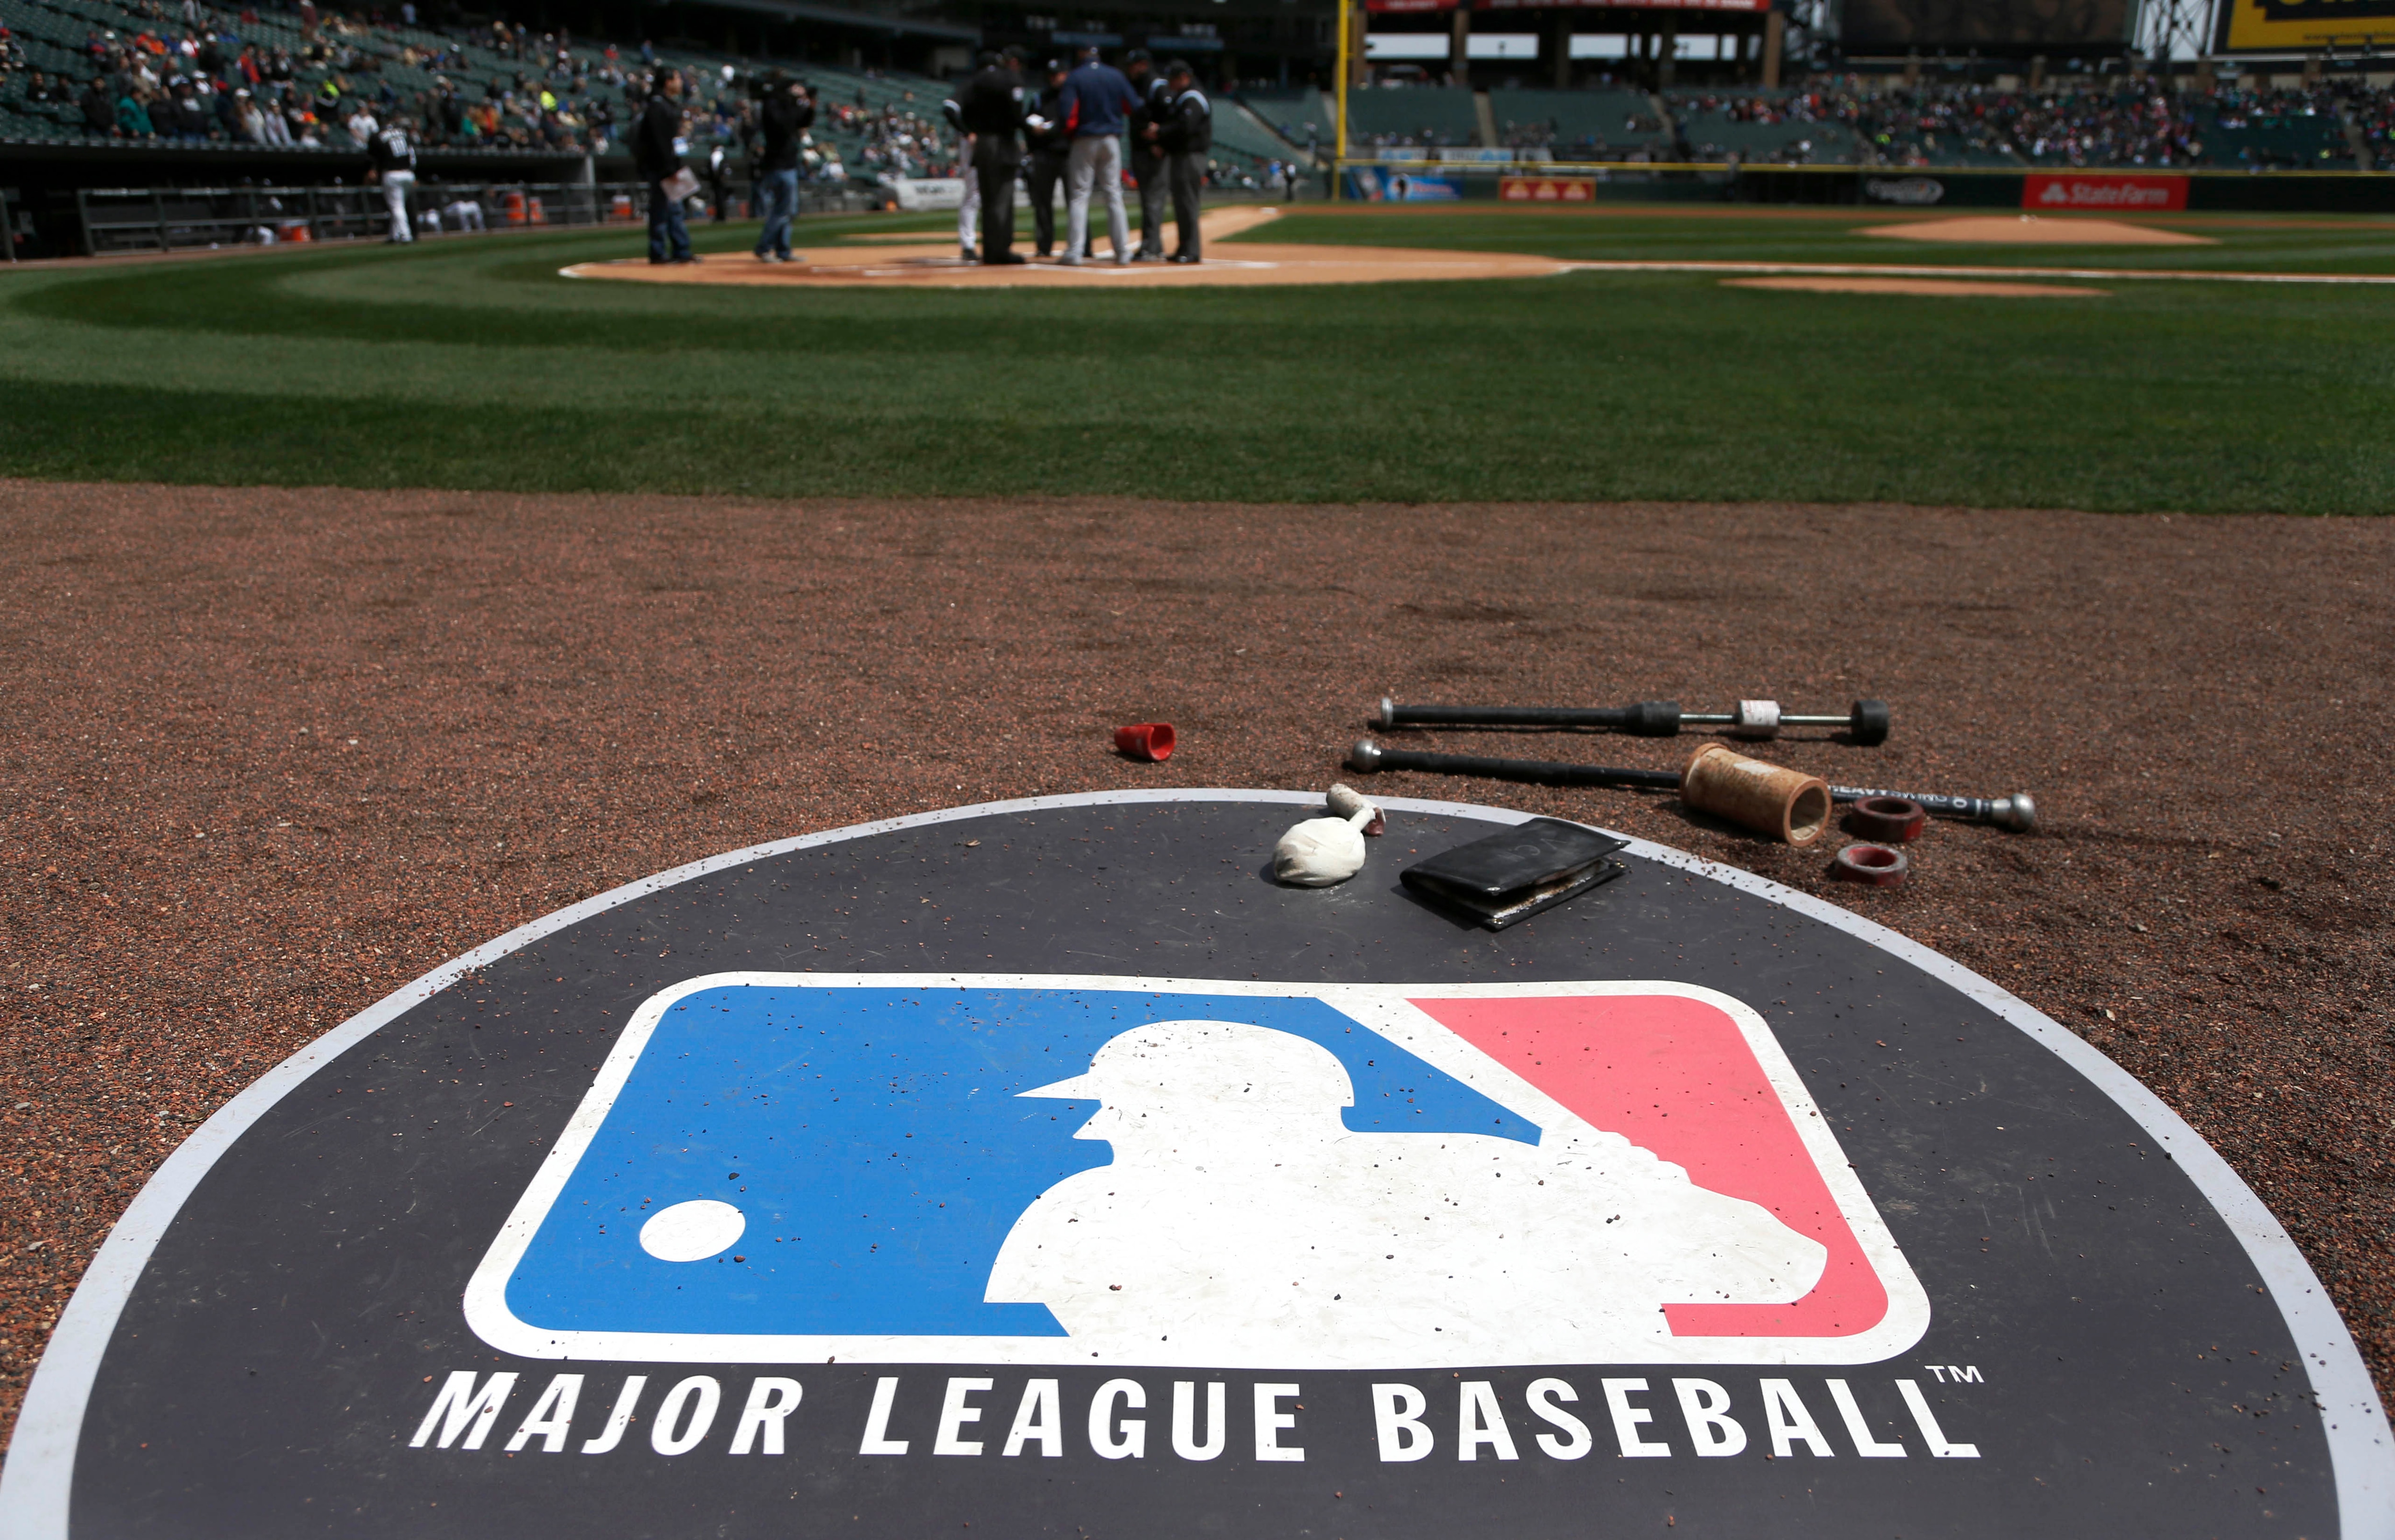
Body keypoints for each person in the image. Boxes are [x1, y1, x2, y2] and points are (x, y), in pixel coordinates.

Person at [987, 1021, 1827, 1365]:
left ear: (1243, 1113)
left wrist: (1657, 1201)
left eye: (1125, 1108)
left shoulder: (1490, 1171)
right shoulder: (1087, 1214)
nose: (1093, 1131)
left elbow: (1783, 1271)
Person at [1055, 45, 1137, 267]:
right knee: (1114, 194)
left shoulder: (1075, 77)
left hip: (1085, 139)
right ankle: (1122, 252)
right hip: (1111, 138)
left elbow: (1066, 113)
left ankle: (1074, 252)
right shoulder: (1115, 75)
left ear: (1081, 56)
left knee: (1080, 195)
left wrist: (1069, 132)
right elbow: (1134, 105)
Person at [955, 47, 1027, 265]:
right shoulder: (1009, 79)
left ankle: (989, 249)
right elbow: (1016, 114)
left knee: (986, 198)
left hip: (982, 143)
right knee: (1003, 197)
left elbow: (953, 108)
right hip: (1003, 142)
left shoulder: (974, 83)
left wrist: (969, 130)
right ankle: (1001, 250)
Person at [634, 67, 696, 264]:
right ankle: (659, 252)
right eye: (677, 78)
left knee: (674, 209)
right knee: (662, 210)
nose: (680, 82)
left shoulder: (665, 105)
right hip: (661, 167)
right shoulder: (658, 106)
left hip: (667, 165)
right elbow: (659, 142)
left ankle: (681, 250)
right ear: (667, 82)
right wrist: (669, 169)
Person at [751, 70, 810, 263]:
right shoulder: (773, 103)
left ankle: (783, 250)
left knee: (789, 211)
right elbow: (784, 125)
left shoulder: (784, 104)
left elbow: (804, 121)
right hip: (779, 164)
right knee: (782, 210)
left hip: (788, 162)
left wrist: (808, 105)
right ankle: (764, 248)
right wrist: (794, 104)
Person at [1157, 61, 1210, 263]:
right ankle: (1184, 248)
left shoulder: (1193, 98)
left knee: (1187, 204)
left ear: (1183, 78)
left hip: (1190, 157)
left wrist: (1161, 133)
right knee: (1181, 204)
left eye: (1173, 79)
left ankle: (1191, 251)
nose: (1170, 83)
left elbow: (1186, 127)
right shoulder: (1184, 97)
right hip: (1182, 156)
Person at [1120, 49, 1168, 261]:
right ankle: (1153, 245)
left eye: (1132, 65)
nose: (1129, 70)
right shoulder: (1139, 86)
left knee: (1153, 199)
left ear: (1142, 65)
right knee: (1149, 199)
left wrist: (1160, 141)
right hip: (1141, 148)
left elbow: (1167, 115)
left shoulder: (1157, 85)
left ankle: (1151, 247)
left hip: (1153, 149)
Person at [1021, 56, 1070, 258]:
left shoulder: (1071, 97)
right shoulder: (1039, 98)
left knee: (1075, 201)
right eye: (1051, 75)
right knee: (1042, 203)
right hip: (1044, 154)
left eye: (1057, 74)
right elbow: (1027, 123)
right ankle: (1044, 245)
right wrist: (1034, 140)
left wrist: (1049, 131)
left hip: (1067, 153)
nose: (1054, 79)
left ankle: (1083, 245)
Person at [938, 82, 978, 261]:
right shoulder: (970, 88)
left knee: (977, 195)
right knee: (974, 195)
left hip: (986, 142)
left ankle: (977, 244)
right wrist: (966, 131)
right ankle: (968, 245)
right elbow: (948, 108)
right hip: (973, 143)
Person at [366, 114, 416, 242]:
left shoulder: (378, 135)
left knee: (396, 206)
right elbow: (412, 152)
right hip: (408, 173)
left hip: (392, 174)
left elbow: (372, 155)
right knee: (399, 206)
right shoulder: (403, 132)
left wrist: (374, 169)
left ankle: (406, 235)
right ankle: (393, 235)